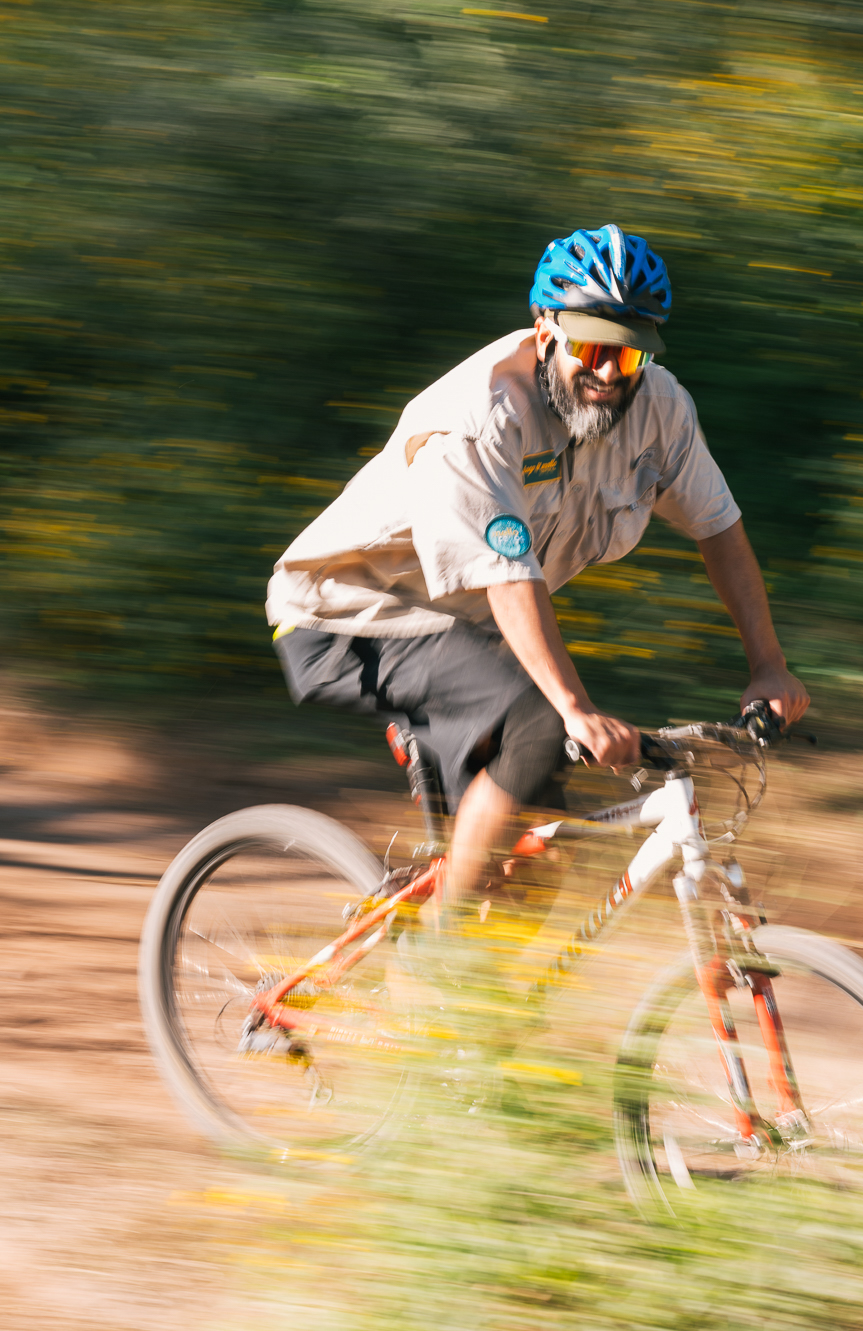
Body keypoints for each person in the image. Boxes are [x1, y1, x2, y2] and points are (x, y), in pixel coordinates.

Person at [266, 224, 809, 924]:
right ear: (545, 327)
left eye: (630, 353)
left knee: (538, 859)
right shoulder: (480, 420)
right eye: (592, 348)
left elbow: (719, 528)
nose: (610, 372)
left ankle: (473, 978)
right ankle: (439, 956)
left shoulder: (661, 411)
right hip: (349, 612)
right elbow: (507, 578)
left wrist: (768, 666)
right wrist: (575, 708)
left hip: (469, 629)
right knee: (539, 720)